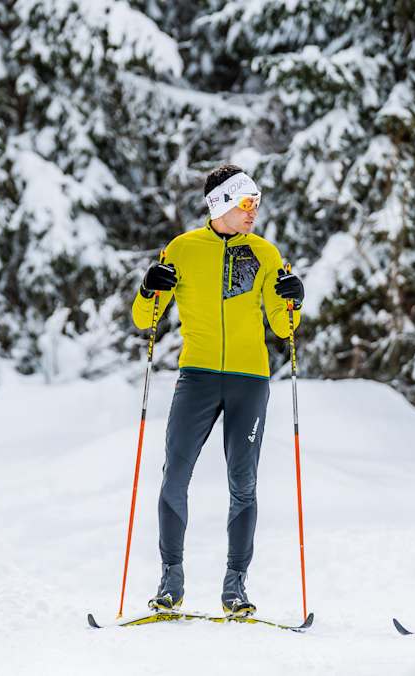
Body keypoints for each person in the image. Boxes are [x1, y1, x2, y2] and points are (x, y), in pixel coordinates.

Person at [132, 164, 304, 616]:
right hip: (197, 377)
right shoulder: (183, 249)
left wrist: (293, 299)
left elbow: (284, 327)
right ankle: (171, 581)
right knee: (175, 475)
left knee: (243, 483)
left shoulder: (265, 253)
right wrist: (148, 288)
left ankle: (235, 587)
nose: (254, 212)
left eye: (257, 203)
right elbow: (145, 319)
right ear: (221, 203)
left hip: (250, 380)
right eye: (247, 203)